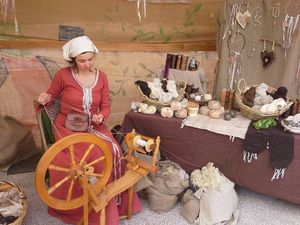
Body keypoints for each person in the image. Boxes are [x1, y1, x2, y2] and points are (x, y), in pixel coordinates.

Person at [37, 36, 141, 225]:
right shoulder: (63, 75)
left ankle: (115, 203)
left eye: (90, 59)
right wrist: (45, 98)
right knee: (93, 154)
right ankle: (88, 206)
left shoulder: (102, 77)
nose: (87, 64)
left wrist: (101, 116)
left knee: (114, 150)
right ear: (73, 60)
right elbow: (51, 96)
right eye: (82, 60)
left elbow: (106, 106)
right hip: (69, 126)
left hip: (95, 125)